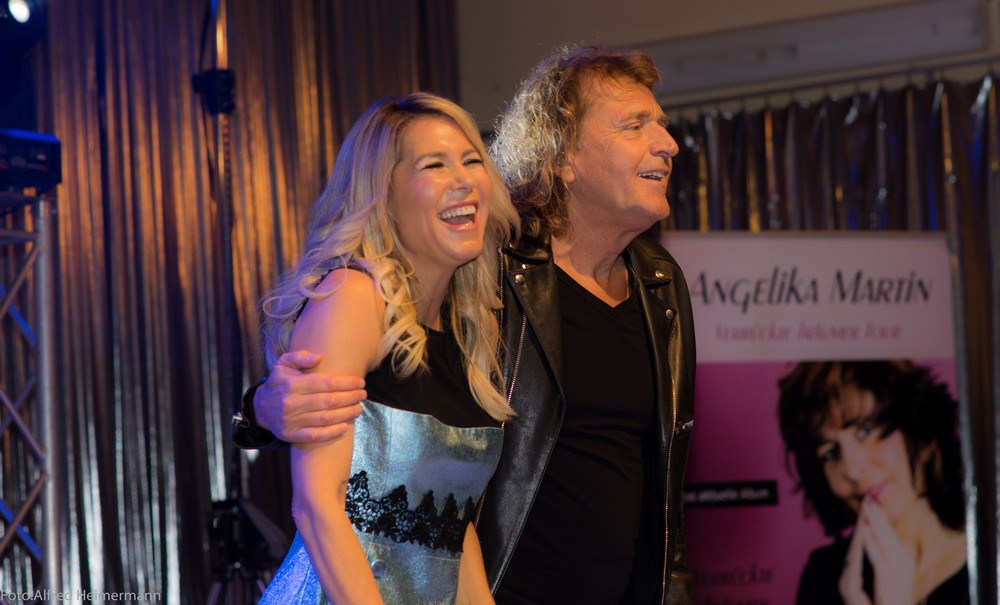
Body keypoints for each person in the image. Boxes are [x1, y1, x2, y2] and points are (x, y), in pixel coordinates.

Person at [238, 45, 696, 604]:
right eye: (634, 124)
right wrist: (261, 407)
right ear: (563, 156)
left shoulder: (655, 285)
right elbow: (320, 459)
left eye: (471, 161)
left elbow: (456, 519)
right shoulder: (482, 272)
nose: (668, 143)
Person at [256, 92, 520, 604]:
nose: (464, 180)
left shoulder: (475, 329)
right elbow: (316, 504)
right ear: (383, 195)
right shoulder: (353, 297)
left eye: (472, 161)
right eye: (434, 165)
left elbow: (453, 526)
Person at [777, 360, 968, 605]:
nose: (852, 470)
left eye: (866, 431)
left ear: (917, 429)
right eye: (830, 453)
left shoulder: (989, 562)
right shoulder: (823, 577)